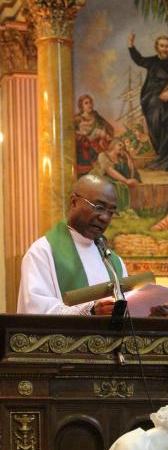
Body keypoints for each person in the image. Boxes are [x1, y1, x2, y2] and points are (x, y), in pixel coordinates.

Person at [17, 175, 127, 316]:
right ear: (74, 202)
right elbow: (36, 313)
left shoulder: (113, 262)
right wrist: (90, 311)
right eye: (99, 207)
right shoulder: (42, 252)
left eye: (111, 212)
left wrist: (147, 310)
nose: (105, 218)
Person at [128, 32, 168, 171]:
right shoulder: (152, 61)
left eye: (167, 46)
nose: (165, 49)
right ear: (157, 47)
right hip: (152, 100)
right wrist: (131, 46)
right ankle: (162, 155)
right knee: (156, 121)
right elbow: (139, 60)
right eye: (162, 46)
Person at [92, 138, 140, 212]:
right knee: (115, 187)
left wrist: (128, 157)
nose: (121, 147)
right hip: (102, 178)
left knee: (121, 185)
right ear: (113, 145)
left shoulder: (120, 159)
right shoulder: (103, 155)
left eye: (123, 146)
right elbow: (109, 171)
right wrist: (126, 181)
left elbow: (131, 171)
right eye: (119, 145)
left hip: (115, 178)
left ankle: (122, 210)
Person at [75, 94, 114, 175]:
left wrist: (104, 134)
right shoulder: (78, 119)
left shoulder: (96, 116)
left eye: (90, 102)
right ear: (81, 106)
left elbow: (106, 127)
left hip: (100, 143)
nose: (89, 105)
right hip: (86, 146)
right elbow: (76, 134)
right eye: (86, 103)